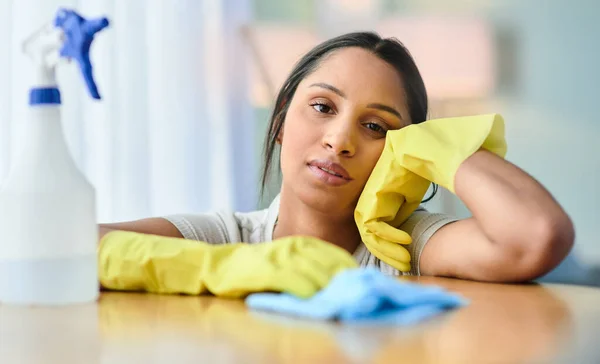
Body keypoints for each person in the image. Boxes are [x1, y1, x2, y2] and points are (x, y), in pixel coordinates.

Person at [100, 32, 574, 283]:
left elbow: (536, 235)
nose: (340, 140)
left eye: (376, 127)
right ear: (282, 121)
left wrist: (433, 145)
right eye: (323, 107)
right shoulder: (226, 239)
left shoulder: (406, 246)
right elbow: (73, 247)